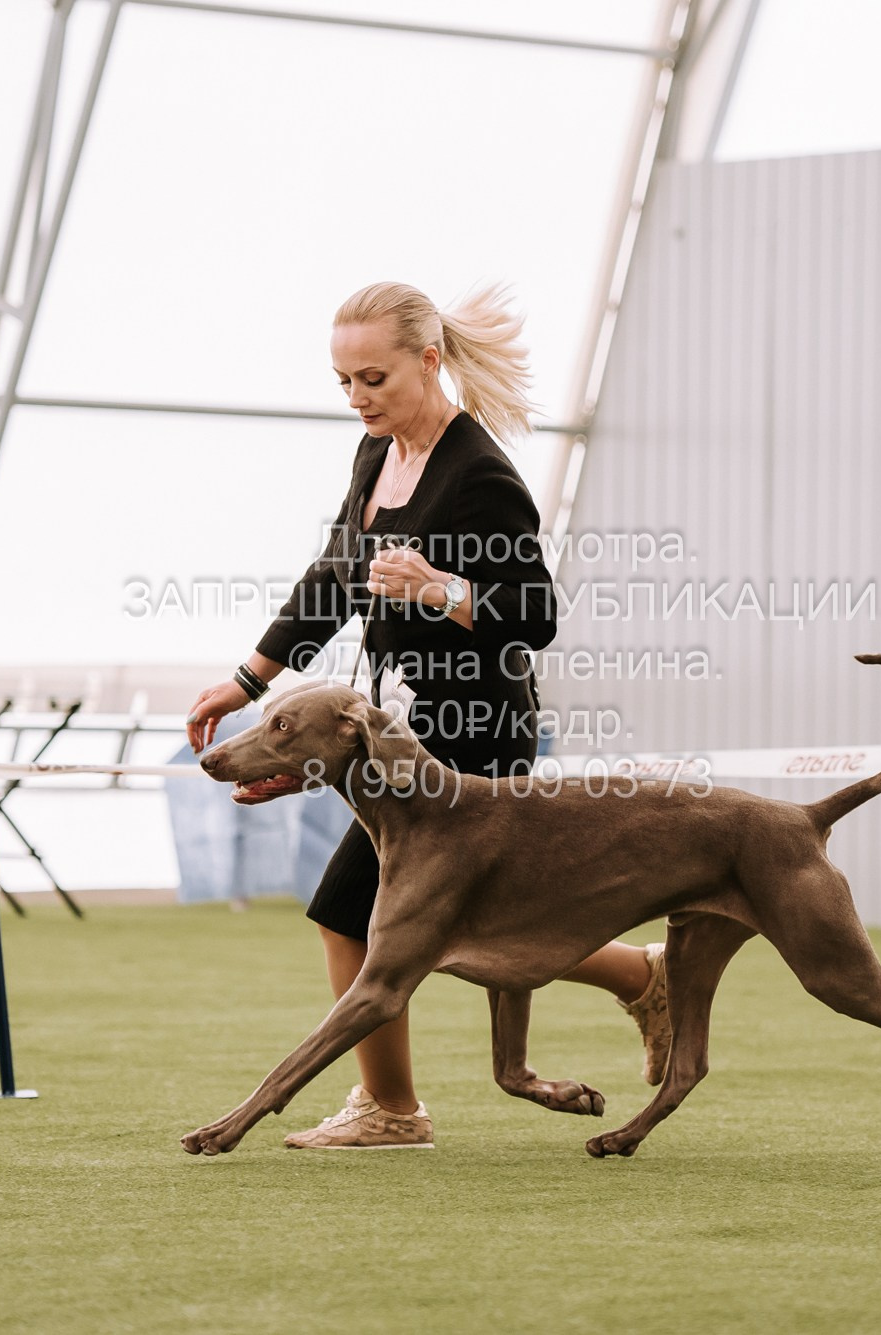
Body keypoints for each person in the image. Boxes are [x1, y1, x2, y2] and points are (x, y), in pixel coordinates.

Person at [185, 281, 669, 1150]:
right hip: (394, 733)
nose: (357, 397)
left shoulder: (477, 473)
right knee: (471, 919)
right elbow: (335, 574)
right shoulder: (377, 455)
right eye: (343, 381)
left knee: (347, 907)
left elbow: (537, 615)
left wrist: (442, 590)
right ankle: (640, 977)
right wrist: (247, 680)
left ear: (428, 360)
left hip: (474, 732)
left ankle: (391, 1111)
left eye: (373, 377)